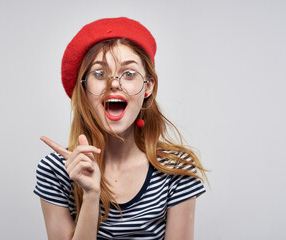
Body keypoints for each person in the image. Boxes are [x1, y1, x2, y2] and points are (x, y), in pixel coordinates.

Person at [34, 17, 207, 240]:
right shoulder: (55, 171)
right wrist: (91, 195)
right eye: (99, 73)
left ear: (148, 87)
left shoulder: (176, 169)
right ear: (84, 89)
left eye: (129, 73)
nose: (114, 83)